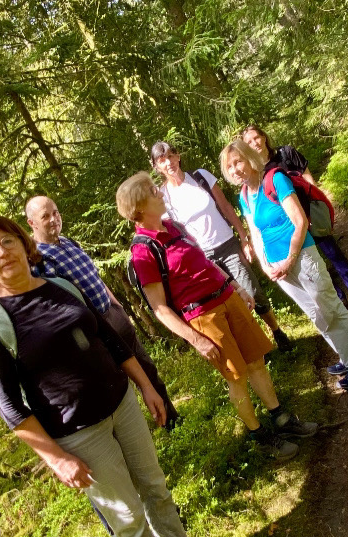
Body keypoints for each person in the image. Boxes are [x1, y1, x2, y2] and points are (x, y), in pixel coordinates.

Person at [0, 213, 228, 537]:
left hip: (122, 404)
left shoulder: (61, 288)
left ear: (22, 241)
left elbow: (109, 339)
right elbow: (10, 408)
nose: (2, 253)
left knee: (155, 488)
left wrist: (145, 386)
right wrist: (56, 460)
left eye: (7, 241)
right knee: (126, 515)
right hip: (79, 436)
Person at [116, 173, 319, 460]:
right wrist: (196, 340)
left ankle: (282, 420)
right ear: (139, 206)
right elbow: (159, 308)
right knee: (236, 378)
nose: (160, 193)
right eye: (153, 191)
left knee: (257, 363)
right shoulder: (143, 251)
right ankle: (259, 436)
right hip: (203, 317)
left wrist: (235, 286)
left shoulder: (174, 226)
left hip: (228, 298)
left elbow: (205, 261)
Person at [220, 140, 348, 392]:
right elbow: (255, 233)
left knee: (330, 308)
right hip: (278, 266)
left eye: (238, 162)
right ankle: (347, 357)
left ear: (249, 159)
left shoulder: (275, 179)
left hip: (302, 255)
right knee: (316, 314)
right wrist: (266, 265)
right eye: (229, 166)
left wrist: (290, 259)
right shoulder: (245, 196)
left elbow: (299, 221)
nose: (235, 169)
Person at [25, 194, 179, 430]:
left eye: (55, 212)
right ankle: (138, 429)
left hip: (113, 315)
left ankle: (171, 419)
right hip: (94, 332)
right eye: (45, 216)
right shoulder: (38, 261)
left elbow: (96, 279)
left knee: (146, 367)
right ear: (32, 223)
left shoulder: (69, 243)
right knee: (120, 382)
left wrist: (118, 307)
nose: (54, 219)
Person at [150, 141, 293, 352]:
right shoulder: (165, 199)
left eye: (171, 156)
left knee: (252, 291)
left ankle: (277, 331)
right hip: (202, 259)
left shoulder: (200, 177)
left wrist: (244, 237)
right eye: (162, 160)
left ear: (178, 156)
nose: (169, 162)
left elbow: (225, 206)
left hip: (227, 245)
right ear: (156, 166)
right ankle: (257, 346)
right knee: (229, 303)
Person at [241, 125, 348, 307]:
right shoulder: (256, 172)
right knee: (315, 261)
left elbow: (306, 174)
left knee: (333, 252)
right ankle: (340, 300)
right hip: (290, 226)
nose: (255, 143)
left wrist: (315, 201)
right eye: (249, 142)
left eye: (256, 138)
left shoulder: (285, 154)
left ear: (264, 137)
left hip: (308, 213)